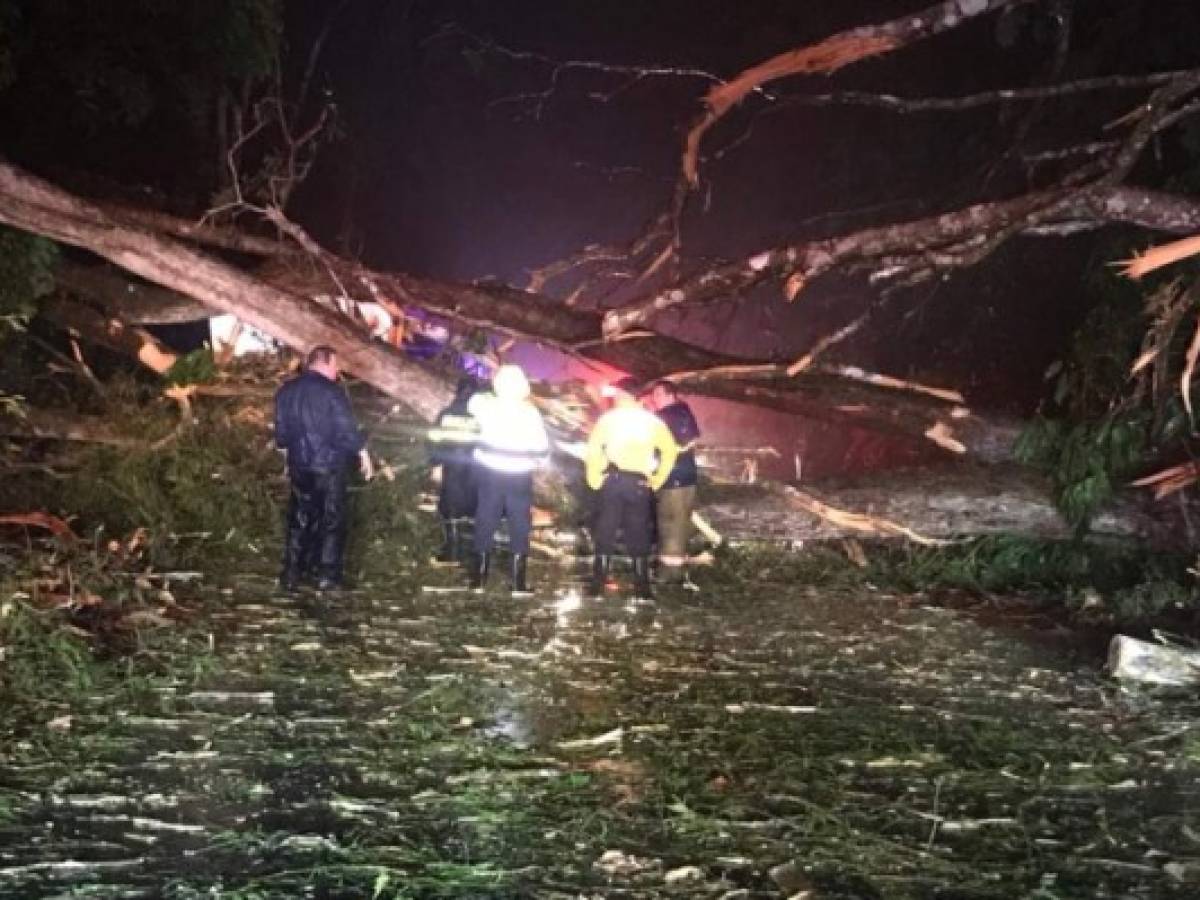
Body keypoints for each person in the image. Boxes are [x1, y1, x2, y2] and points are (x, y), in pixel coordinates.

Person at [273, 345, 373, 592]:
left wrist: (288, 458)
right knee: (331, 519)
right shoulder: (332, 393)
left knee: (299, 518)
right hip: (328, 465)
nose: (337, 370)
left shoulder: (286, 391)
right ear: (325, 362)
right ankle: (327, 575)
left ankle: (292, 573)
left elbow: (282, 434)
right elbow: (346, 428)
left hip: (300, 464)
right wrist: (363, 453)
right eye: (335, 364)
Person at [585, 377, 678, 600]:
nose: (614, 397)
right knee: (638, 533)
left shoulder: (609, 419)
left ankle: (598, 585)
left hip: (613, 480)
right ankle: (642, 588)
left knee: (606, 530)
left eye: (617, 393)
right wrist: (656, 479)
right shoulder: (652, 421)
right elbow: (670, 451)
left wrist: (594, 477)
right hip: (638, 483)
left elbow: (594, 449)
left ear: (627, 396)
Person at [467, 364, 549, 595]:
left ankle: (478, 580)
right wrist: (540, 461)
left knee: (485, 518)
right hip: (519, 474)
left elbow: (473, 402)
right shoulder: (530, 411)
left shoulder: (485, 404)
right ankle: (518, 583)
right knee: (519, 522)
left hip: (490, 471)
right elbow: (541, 446)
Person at [642, 379, 701, 583]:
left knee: (670, 524)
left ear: (670, 395)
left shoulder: (669, 415)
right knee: (679, 523)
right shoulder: (683, 411)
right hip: (685, 477)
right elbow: (692, 439)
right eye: (653, 395)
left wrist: (664, 458)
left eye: (658, 394)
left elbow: (682, 442)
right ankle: (676, 573)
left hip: (673, 478)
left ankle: (669, 578)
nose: (654, 398)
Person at [428, 375, 481, 565]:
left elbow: (434, 440)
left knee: (450, 509)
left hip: (452, 467)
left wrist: (435, 465)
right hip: (476, 469)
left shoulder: (447, 414)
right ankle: (472, 553)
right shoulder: (482, 416)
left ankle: (453, 552)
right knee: (474, 508)